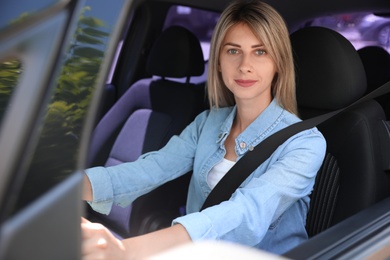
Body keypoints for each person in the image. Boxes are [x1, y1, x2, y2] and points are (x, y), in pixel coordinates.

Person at [81, 0, 327, 259]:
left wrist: (124, 250)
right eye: (233, 51)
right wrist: (66, 187)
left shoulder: (304, 143)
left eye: (260, 51)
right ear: (218, 61)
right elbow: (150, 169)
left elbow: (247, 212)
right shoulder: (207, 123)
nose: (245, 65)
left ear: (278, 63)